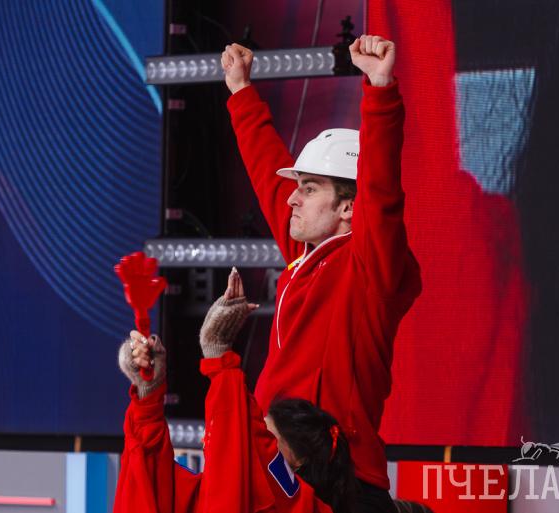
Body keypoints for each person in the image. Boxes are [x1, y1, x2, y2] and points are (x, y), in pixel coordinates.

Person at [220, 36, 422, 513]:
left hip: (339, 484)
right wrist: (241, 92)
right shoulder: (305, 255)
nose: (292, 198)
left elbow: (382, 191)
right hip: (281, 469)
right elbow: (268, 174)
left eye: (309, 188)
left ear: (350, 207)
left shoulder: (369, 269)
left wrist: (379, 89)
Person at [113, 269, 357, 513]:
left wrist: (220, 359)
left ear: (296, 464)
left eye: (257, 435)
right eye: (250, 431)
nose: (240, 439)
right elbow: (151, 492)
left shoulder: (303, 506)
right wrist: (148, 394)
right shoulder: (207, 495)